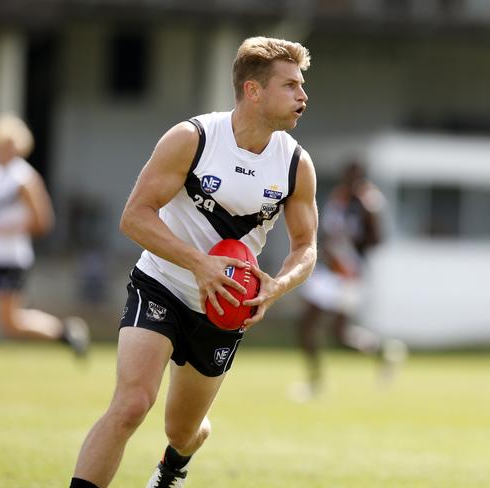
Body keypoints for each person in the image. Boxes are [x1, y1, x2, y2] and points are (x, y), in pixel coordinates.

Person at [69, 36, 318, 488]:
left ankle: (173, 467)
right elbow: (135, 217)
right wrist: (198, 264)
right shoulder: (193, 138)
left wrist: (278, 286)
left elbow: (306, 245)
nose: (303, 96)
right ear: (253, 90)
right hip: (161, 283)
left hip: (224, 310)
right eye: (291, 85)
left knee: (183, 430)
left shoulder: (295, 165)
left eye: (302, 86)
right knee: (130, 406)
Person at [0, 113, 89, 381]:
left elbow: (42, 221)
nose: (4, 150)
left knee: (10, 324)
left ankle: (64, 332)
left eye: (10, 145)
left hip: (10, 258)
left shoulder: (25, 179)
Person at [293, 160, 407, 400]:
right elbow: (327, 230)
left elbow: (378, 238)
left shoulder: (368, 202)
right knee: (306, 324)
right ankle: (315, 382)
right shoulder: (339, 197)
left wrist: (352, 241)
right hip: (329, 270)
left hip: (350, 273)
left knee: (340, 335)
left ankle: (382, 351)